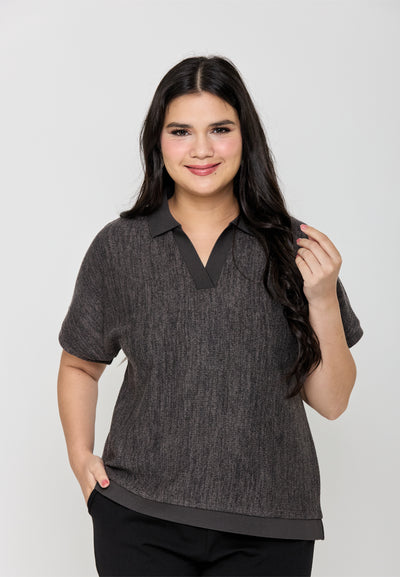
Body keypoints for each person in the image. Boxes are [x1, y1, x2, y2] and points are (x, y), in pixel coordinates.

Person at [57, 55, 363, 577]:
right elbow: (80, 365)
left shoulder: (297, 248)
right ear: (158, 141)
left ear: (246, 138)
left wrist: (323, 299)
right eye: (181, 131)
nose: (201, 149)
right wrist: (80, 458)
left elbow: (332, 403)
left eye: (220, 129)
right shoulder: (119, 247)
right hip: (138, 517)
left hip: (271, 526)